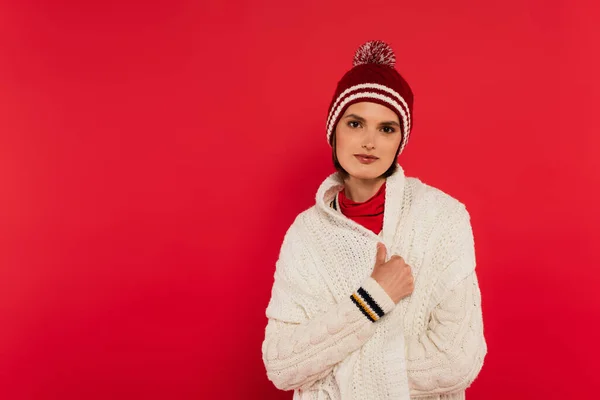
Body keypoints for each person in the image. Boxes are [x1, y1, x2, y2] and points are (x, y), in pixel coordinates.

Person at [261, 40, 487, 400]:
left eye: (386, 129)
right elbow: (281, 364)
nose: (369, 141)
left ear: (401, 140)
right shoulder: (306, 235)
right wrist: (373, 297)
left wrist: (333, 374)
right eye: (355, 123)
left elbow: (456, 360)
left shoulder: (442, 219)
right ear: (335, 130)